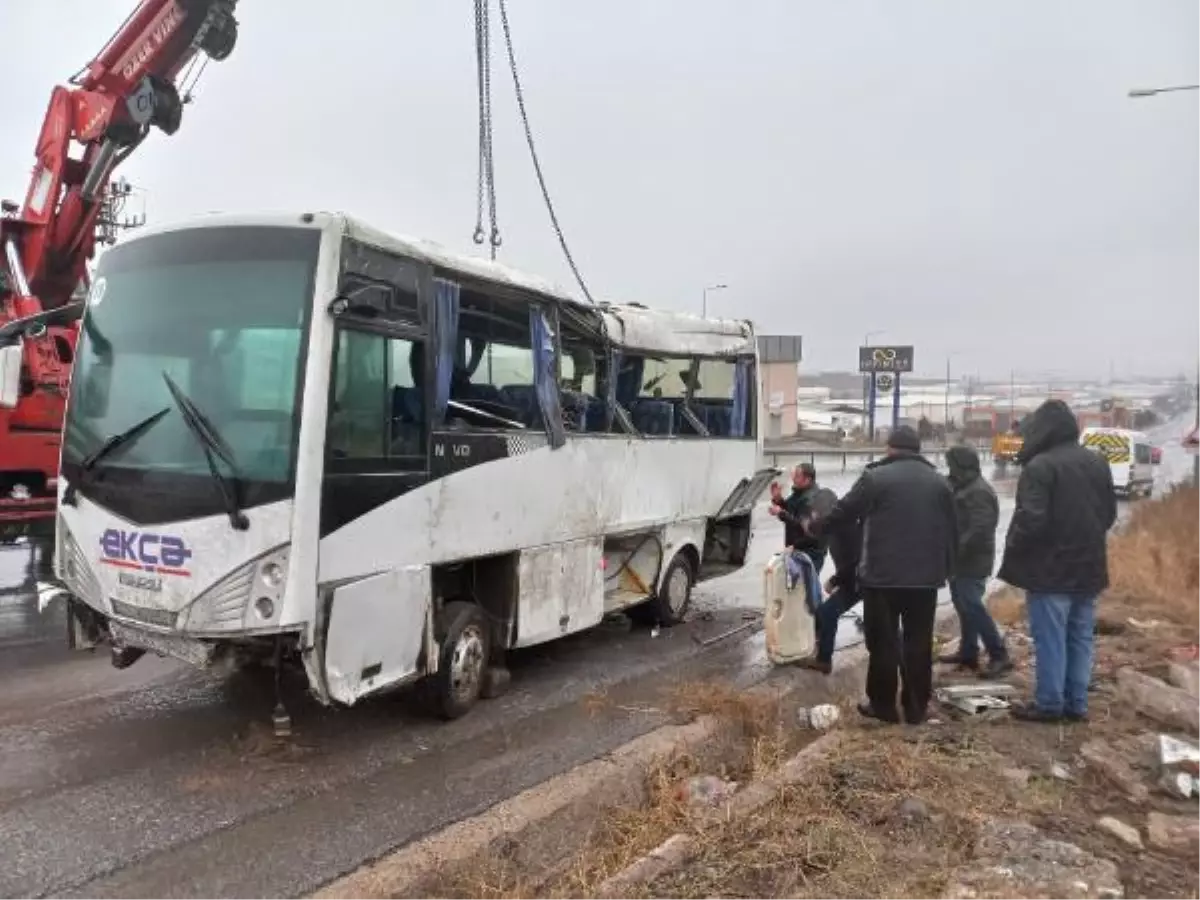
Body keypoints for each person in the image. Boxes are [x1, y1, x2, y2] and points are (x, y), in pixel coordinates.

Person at [815, 426, 956, 724]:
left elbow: (843, 511)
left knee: (883, 642)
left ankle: (883, 706)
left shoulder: (875, 477)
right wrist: (945, 570)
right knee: (918, 643)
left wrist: (816, 527)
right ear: (918, 450)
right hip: (925, 580)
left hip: (882, 578)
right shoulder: (940, 483)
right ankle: (916, 708)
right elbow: (952, 532)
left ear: (891, 448)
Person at [998, 399, 1116, 723]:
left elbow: (1031, 521)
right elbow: (1108, 514)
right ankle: (1076, 704)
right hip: (1089, 567)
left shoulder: (1040, 466)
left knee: (1050, 637)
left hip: (1050, 571)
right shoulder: (1097, 462)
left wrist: (1017, 550)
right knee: (1080, 636)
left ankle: (1050, 704)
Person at [940, 444, 1012, 678]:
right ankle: (968, 652)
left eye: (952, 465)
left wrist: (956, 550)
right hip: (959, 559)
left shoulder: (978, 491)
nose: (949, 469)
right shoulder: (962, 485)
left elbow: (980, 530)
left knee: (973, 605)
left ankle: (999, 654)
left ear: (962, 466)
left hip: (972, 560)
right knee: (963, 606)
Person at [796, 505, 863, 675]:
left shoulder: (847, 531)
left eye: (814, 515)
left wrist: (835, 580)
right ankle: (813, 643)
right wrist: (794, 546)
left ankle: (824, 661)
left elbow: (859, 560)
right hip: (854, 579)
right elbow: (814, 539)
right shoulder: (832, 529)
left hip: (863, 580)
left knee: (827, 612)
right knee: (822, 613)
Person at [768, 463, 826, 573]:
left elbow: (802, 526)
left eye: (797, 476)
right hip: (797, 549)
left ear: (807, 479)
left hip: (810, 554)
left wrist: (781, 513)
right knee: (797, 588)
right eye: (793, 475)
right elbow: (790, 511)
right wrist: (778, 500)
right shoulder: (799, 493)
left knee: (805, 588)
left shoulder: (812, 499)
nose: (793, 479)